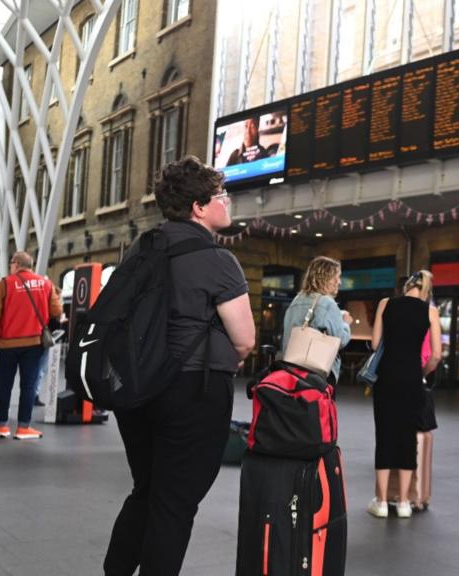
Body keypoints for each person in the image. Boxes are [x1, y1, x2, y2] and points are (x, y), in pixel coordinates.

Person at [103, 156, 255, 575]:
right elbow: (245, 338)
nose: (227, 202)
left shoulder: (142, 248)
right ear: (199, 207)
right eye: (221, 195)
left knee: (146, 489)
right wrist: (234, 356)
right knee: (175, 504)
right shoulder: (217, 259)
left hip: (135, 388)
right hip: (193, 391)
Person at [368, 270, 442, 519]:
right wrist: (422, 371)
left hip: (387, 378)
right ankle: (403, 504)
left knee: (385, 434)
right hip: (412, 379)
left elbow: (375, 343)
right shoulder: (429, 311)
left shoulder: (385, 304)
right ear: (426, 290)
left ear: (407, 286)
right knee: (408, 437)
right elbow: (436, 355)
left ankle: (380, 501)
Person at [0, 250, 61, 440]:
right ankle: (23, 427)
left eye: (11, 263)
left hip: (6, 344)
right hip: (33, 344)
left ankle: (2, 426)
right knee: (28, 385)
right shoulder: (46, 283)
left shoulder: (5, 284)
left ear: (16, 264)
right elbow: (57, 310)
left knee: (4, 385)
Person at [281, 256, 353, 385]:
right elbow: (340, 340)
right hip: (317, 373)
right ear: (324, 278)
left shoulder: (296, 301)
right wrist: (345, 323)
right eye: (336, 277)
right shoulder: (327, 303)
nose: (339, 282)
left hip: (292, 369)